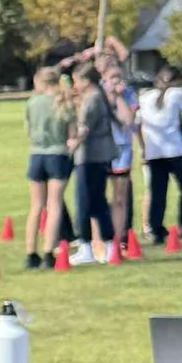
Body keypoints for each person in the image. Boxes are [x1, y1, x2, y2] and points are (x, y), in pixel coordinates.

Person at [67, 60, 117, 262]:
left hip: (89, 156)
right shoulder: (98, 96)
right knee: (98, 202)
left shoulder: (92, 98)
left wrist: (73, 144)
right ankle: (109, 246)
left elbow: (84, 128)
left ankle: (86, 246)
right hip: (100, 156)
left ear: (86, 81)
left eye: (77, 81)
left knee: (84, 202)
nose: (75, 85)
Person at [140, 62, 182, 242]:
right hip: (175, 151)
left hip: (154, 151)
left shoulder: (145, 96)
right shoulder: (176, 94)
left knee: (158, 193)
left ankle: (156, 230)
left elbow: (138, 121)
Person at [21, 63, 70, 265]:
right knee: (54, 205)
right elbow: (71, 132)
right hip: (57, 154)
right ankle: (49, 251)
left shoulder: (32, 102)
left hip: (36, 154)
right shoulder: (61, 102)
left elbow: (27, 130)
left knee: (35, 206)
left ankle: (30, 253)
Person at [102, 65, 138, 245]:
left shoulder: (129, 93)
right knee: (99, 196)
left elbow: (129, 120)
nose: (115, 80)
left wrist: (118, 97)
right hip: (101, 150)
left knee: (119, 197)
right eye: (112, 76)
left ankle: (119, 237)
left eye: (118, 76)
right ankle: (100, 238)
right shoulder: (97, 94)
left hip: (122, 149)